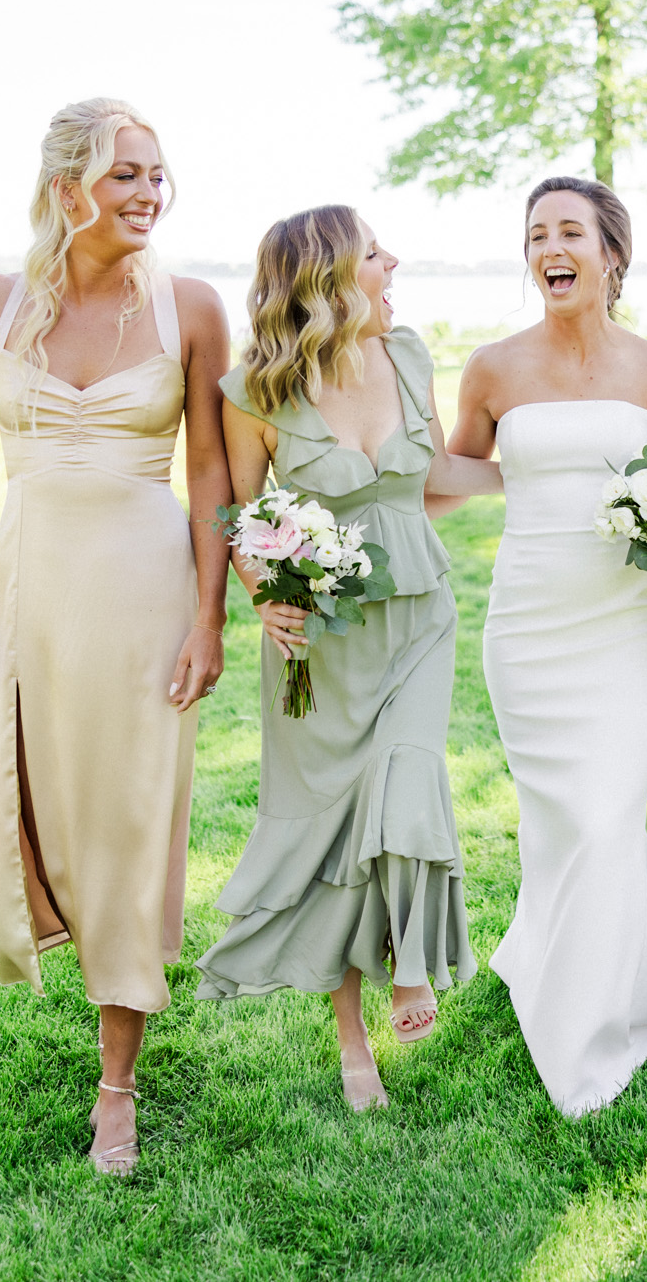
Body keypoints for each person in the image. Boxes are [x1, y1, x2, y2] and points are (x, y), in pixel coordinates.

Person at [0, 99, 232, 1172]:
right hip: (37, 585)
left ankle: (117, 1084)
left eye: (157, 174)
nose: (148, 194)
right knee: (50, 800)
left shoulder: (190, 306)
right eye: (126, 174)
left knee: (136, 818)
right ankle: (75, 965)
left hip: (148, 590)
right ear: (65, 188)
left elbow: (214, 475)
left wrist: (211, 614)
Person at [197, 206, 498, 1112]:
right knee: (334, 827)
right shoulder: (254, 390)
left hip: (420, 614)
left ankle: (411, 962)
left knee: (408, 780)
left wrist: (551, 466)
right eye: (376, 253)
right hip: (319, 638)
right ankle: (350, 1038)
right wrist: (263, 595)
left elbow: (434, 476)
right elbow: (238, 517)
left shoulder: (407, 355)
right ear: (328, 277)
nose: (393, 261)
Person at [446, 176, 647, 1116]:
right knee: (563, 819)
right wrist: (358, 462)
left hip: (627, 624)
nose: (549, 248)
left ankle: (591, 1027)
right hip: (528, 622)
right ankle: (595, 964)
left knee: (605, 812)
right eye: (535, 235)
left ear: (610, 255)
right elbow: (449, 474)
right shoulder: (491, 368)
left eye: (569, 232)